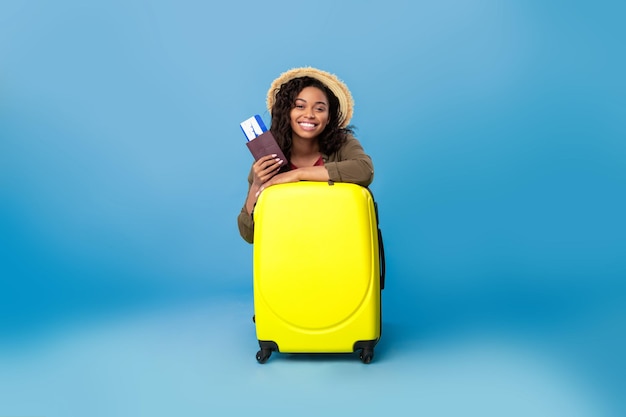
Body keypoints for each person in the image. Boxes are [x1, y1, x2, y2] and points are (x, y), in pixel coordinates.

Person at [237, 67, 374, 243]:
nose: (309, 115)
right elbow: (249, 235)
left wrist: (297, 174)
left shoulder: (343, 143)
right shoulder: (268, 158)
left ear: (329, 116)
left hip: (339, 248)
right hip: (290, 252)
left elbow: (365, 170)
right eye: (300, 106)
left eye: (319, 108)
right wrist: (256, 186)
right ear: (286, 111)